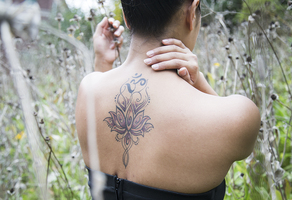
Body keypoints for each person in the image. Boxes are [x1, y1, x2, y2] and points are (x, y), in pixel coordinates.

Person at [75, 0, 261, 199]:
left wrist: (102, 63)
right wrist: (199, 82)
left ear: (127, 18)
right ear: (191, 12)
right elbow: (239, 142)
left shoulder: (88, 90)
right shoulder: (239, 116)